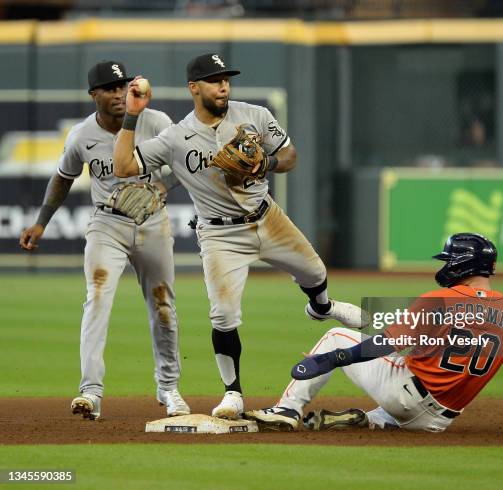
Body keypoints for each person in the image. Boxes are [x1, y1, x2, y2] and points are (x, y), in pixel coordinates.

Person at [112, 53, 365, 420]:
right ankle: (233, 393)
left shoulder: (255, 115)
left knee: (315, 274)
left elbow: (290, 154)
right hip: (219, 235)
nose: (224, 85)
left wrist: (269, 163)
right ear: (194, 88)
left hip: (268, 218)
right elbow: (122, 167)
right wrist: (132, 114)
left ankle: (322, 308)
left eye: (227, 78)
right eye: (215, 80)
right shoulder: (176, 137)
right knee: (223, 315)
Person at [245, 233, 503, 436]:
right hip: (436, 423)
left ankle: (287, 411)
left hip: (405, 395)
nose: (444, 265)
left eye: (449, 259)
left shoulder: (440, 299)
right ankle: (369, 420)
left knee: (338, 337)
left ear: (463, 264)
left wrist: (335, 358)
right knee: (406, 358)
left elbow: (385, 342)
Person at [19, 61, 190, 421]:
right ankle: (91, 392)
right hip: (106, 224)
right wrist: (41, 222)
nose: (118, 93)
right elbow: (63, 178)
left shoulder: (156, 122)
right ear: (93, 94)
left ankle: (169, 387)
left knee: (163, 305)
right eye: (110, 88)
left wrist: (159, 186)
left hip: (152, 222)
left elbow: (185, 163)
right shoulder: (82, 135)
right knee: (96, 298)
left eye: (122, 86)